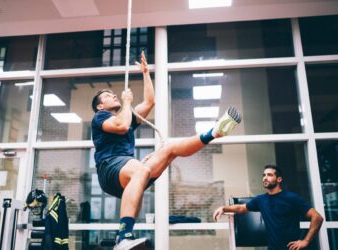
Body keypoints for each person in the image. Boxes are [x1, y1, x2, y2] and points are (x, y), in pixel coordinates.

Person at [91, 51, 242, 250]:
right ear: (101, 105)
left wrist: (145, 73)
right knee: (141, 169)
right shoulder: (100, 117)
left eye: (113, 93)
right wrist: (127, 102)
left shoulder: (126, 117)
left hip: (128, 172)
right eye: (108, 95)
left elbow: (149, 102)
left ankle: (213, 133)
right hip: (109, 169)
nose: (113, 95)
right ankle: (124, 237)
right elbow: (121, 125)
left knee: (170, 149)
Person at [213, 164, 324, 250]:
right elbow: (241, 208)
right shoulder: (261, 200)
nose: (265, 178)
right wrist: (223, 208)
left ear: (279, 179)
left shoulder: (291, 198)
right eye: (264, 175)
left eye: (269, 175)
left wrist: (305, 241)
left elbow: (317, 217)